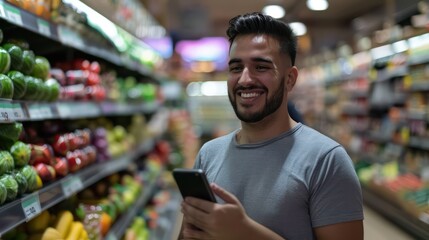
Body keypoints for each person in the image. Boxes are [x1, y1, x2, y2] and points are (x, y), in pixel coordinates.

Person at [178, 12, 363, 240]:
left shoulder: (326, 161)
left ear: (290, 79)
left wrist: (244, 232)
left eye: (261, 67)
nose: (245, 79)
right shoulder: (208, 154)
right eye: (236, 68)